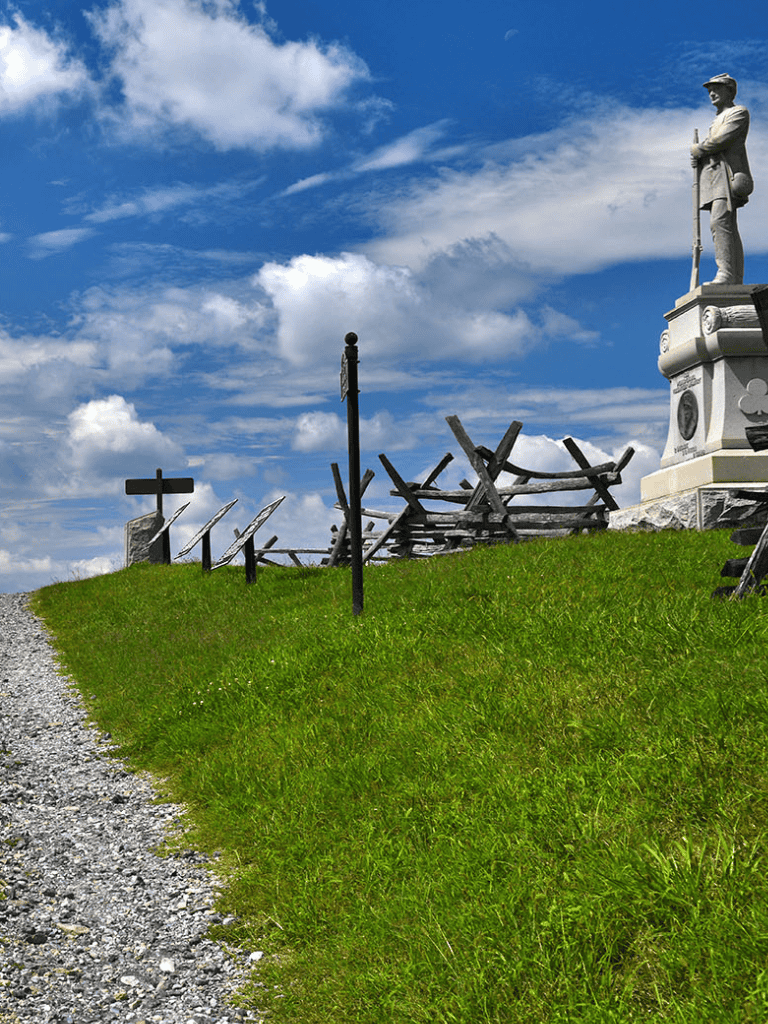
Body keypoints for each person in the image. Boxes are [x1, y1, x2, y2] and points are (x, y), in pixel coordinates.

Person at [690, 73, 753, 285]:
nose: (712, 93)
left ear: (729, 91)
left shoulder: (738, 113)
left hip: (729, 175)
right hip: (715, 177)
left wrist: (698, 149)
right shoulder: (716, 119)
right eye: (709, 90)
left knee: (720, 221)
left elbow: (721, 140)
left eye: (716, 89)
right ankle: (733, 276)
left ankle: (726, 274)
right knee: (725, 224)